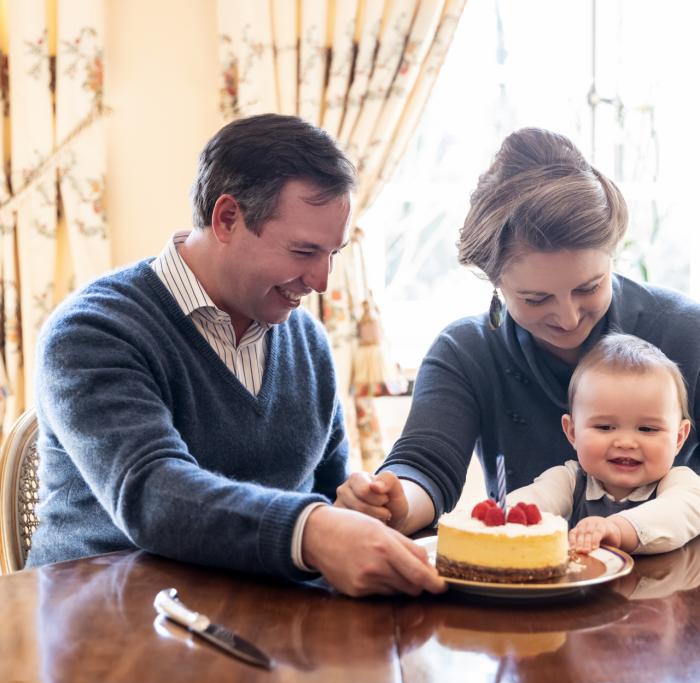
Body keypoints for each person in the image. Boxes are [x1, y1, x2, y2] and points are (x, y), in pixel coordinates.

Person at [27, 113, 445, 598]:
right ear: (227, 218)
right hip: (103, 631)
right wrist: (312, 529)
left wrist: (356, 506)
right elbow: (151, 492)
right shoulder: (93, 330)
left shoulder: (307, 341)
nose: (322, 281)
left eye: (333, 253)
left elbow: (326, 495)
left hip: (263, 622)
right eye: (304, 251)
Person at [335, 126, 700, 535]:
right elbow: (425, 467)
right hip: (526, 591)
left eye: (588, 288)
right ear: (495, 283)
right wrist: (393, 502)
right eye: (536, 299)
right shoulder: (465, 352)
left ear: (612, 254)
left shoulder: (687, 332)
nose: (568, 317)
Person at [508, 333, 700, 554]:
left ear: (678, 438)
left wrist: (616, 529)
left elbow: (677, 513)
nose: (626, 443)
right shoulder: (570, 480)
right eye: (605, 427)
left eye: (647, 429)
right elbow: (535, 499)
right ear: (572, 432)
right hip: (580, 588)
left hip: (660, 587)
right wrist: (504, 516)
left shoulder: (681, 484)